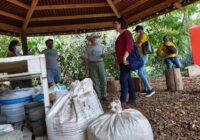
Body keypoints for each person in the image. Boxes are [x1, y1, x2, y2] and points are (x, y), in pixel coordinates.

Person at [113, 18, 136, 109]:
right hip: (122, 61)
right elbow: (118, 50)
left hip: (125, 60)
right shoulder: (120, 35)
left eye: (116, 23)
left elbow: (129, 46)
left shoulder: (127, 33)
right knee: (128, 79)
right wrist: (117, 61)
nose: (114, 25)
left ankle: (122, 101)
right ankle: (132, 99)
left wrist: (124, 57)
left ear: (121, 24)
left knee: (123, 79)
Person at [83, 34, 108, 101]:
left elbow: (104, 56)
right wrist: (86, 68)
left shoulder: (101, 46)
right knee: (94, 80)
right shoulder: (88, 48)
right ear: (90, 40)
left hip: (100, 63)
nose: (94, 39)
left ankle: (104, 95)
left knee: (103, 79)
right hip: (91, 64)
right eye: (92, 38)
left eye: (94, 38)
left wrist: (104, 55)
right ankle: (98, 95)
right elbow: (85, 58)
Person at [134, 25, 155, 97]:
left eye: (136, 31)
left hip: (143, 56)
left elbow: (139, 45)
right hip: (141, 56)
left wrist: (132, 46)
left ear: (140, 31)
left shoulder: (143, 35)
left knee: (140, 73)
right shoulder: (139, 37)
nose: (136, 33)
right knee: (143, 73)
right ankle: (146, 89)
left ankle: (150, 88)